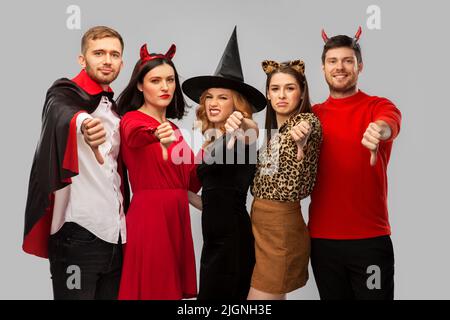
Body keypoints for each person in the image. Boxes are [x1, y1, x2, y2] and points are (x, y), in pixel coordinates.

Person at [22, 26, 129, 300]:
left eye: (114, 54)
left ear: (121, 62)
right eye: (99, 53)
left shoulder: (116, 110)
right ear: (82, 59)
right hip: (79, 236)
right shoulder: (64, 92)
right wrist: (84, 124)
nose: (107, 60)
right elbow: (60, 109)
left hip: (117, 238)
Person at [308, 27, 402, 300]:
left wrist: (380, 130)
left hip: (370, 242)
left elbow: (390, 123)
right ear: (323, 68)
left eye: (348, 61)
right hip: (323, 242)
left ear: (359, 66)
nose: (340, 67)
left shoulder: (378, 106)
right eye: (333, 61)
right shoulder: (312, 116)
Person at [182, 27, 266, 300]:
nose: (213, 103)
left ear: (237, 103)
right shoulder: (213, 139)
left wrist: (241, 123)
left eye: (223, 97)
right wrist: (179, 195)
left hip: (233, 240)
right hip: (213, 239)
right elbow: (214, 197)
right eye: (209, 97)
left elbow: (249, 129)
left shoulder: (243, 135)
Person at [116, 42, 200, 300]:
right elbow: (134, 137)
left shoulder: (174, 129)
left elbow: (190, 181)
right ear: (140, 85)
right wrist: (155, 133)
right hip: (150, 219)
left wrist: (215, 142)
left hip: (176, 216)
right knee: (155, 290)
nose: (165, 87)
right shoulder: (131, 120)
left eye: (170, 80)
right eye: (156, 80)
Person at [247, 59, 322, 300]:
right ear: (268, 94)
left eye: (290, 88)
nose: (282, 95)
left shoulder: (306, 122)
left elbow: (308, 130)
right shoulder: (271, 133)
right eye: (275, 88)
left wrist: (302, 142)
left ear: (301, 93)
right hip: (260, 226)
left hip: (281, 228)